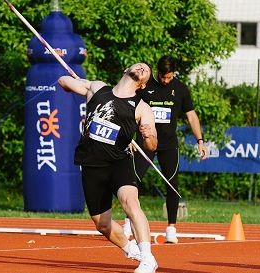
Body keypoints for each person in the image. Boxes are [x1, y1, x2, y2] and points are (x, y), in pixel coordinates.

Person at [58, 63, 158, 273]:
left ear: (143, 84)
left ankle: (148, 258)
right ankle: (130, 248)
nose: (142, 67)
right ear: (126, 70)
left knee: (129, 201)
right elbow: (63, 81)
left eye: (146, 71)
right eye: (140, 65)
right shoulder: (98, 88)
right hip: (92, 164)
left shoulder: (141, 108)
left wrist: (148, 135)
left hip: (118, 162)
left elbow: (152, 145)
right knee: (102, 224)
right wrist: (69, 83)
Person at [123, 56, 207, 244]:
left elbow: (191, 116)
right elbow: (130, 111)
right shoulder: (145, 87)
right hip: (145, 143)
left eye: (169, 78)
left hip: (169, 145)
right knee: (132, 181)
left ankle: (171, 228)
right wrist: (128, 136)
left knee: (172, 185)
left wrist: (200, 140)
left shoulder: (181, 89)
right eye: (163, 77)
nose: (166, 81)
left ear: (174, 74)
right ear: (157, 72)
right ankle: (128, 223)